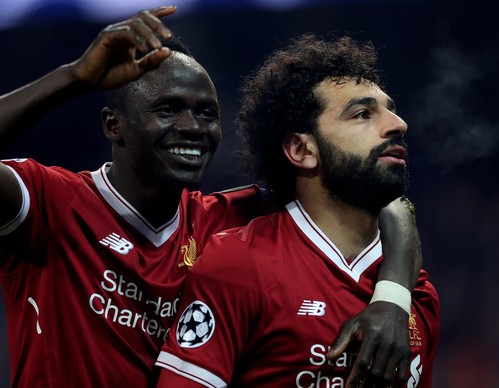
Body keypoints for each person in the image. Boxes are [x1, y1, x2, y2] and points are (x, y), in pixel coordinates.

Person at [0, 7, 421, 388]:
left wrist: (393, 300)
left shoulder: (224, 221)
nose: (192, 127)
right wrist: (73, 76)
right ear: (115, 126)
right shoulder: (52, 201)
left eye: (206, 114)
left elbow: (381, 200)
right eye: (168, 109)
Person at [156, 34, 440, 387]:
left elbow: (399, 211)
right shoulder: (238, 264)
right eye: (363, 114)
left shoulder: (417, 293)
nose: (398, 124)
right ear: (302, 150)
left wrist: (395, 298)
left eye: (390, 109)